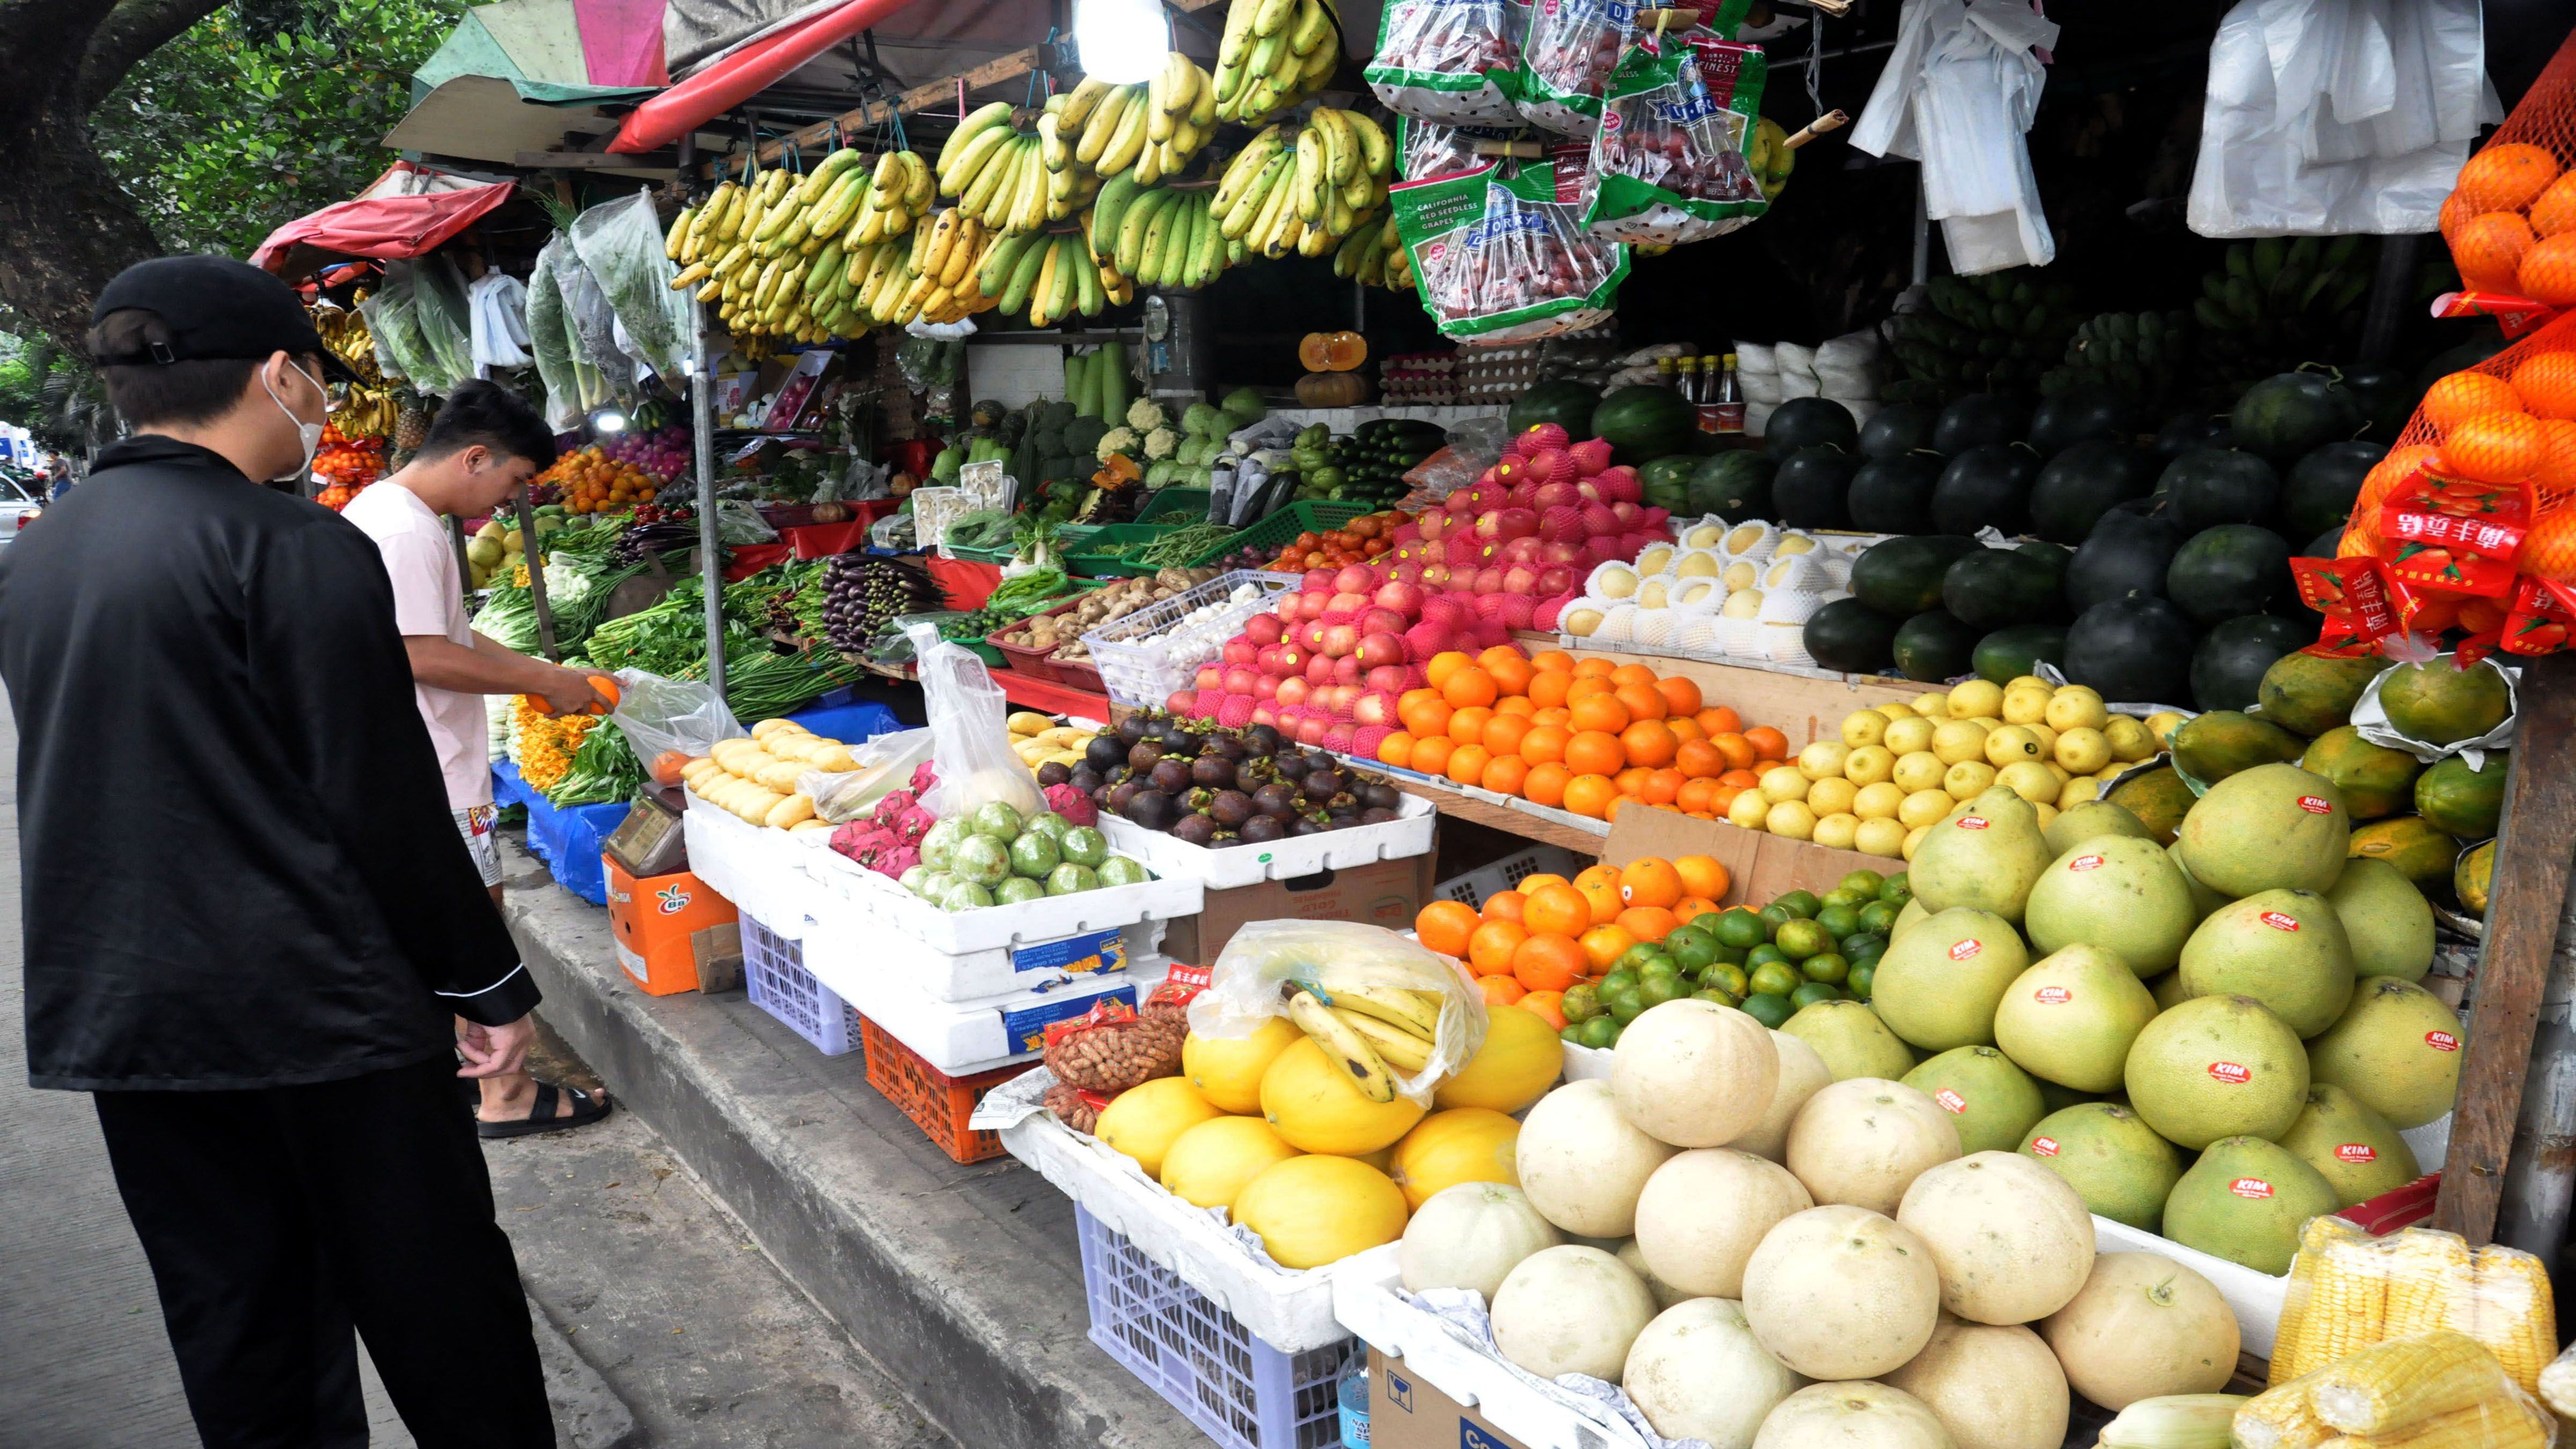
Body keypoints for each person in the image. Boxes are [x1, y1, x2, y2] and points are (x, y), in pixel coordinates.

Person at [0, 255, 554, 1447]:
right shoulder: (292, 544)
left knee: (241, 1321)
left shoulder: (36, 556)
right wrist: (484, 982)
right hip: (321, 1010)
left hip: (131, 1017)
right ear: (277, 374)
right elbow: (377, 793)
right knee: (440, 1302)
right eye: (313, 377)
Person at [342, 379, 613, 1138]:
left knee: (454, 933)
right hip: (435, 772)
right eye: (515, 480)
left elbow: (452, 639)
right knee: (475, 933)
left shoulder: (389, 512)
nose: (510, 500)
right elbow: (420, 653)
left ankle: (468, 1075)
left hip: (425, 763)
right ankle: (506, 1096)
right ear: (474, 457)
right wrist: (538, 678)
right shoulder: (407, 533)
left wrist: (549, 677)